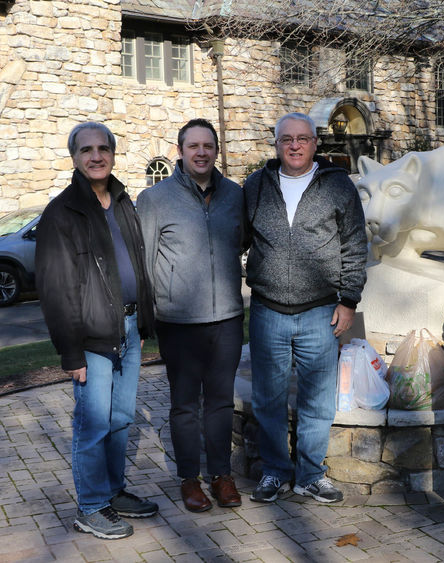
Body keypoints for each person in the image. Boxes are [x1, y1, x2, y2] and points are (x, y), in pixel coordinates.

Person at [35, 122, 158, 540]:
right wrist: (70, 353)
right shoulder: (62, 212)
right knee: (93, 423)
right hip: (90, 338)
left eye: (103, 148)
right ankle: (90, 506)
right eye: (85, 149)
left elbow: (139, 266)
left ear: (113, 154)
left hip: (127, 327)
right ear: (74, 157)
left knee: (121, 419)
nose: (95, 156)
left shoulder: (124, 201)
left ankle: (113, 491)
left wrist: (142, 320)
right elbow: (55, 289)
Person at [243, 112, 368, 503]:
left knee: (316, 400)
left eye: (302, 139)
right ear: (276, 144)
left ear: (316, 143)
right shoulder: (255, 186)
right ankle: (275, 472)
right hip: (268, 310)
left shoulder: (337, 186)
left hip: (320, 312)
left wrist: (348, 301)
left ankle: (310, 475)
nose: (294, 145)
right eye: (286, 139)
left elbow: (355, 246)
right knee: (268, 399)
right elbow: (239, 238)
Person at [137, 119, 244, 513]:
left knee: (219, 402)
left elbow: (241, 240)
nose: (201, 152)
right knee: (184, 404)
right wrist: (145, 319)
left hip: (227, 318)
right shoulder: (154, 199)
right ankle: (189, 479)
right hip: (178, 322)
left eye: (208, 146)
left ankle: (221, 475)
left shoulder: (234, 195)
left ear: (216, 150)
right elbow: (144, 261)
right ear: (180, 150)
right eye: (193, 146)